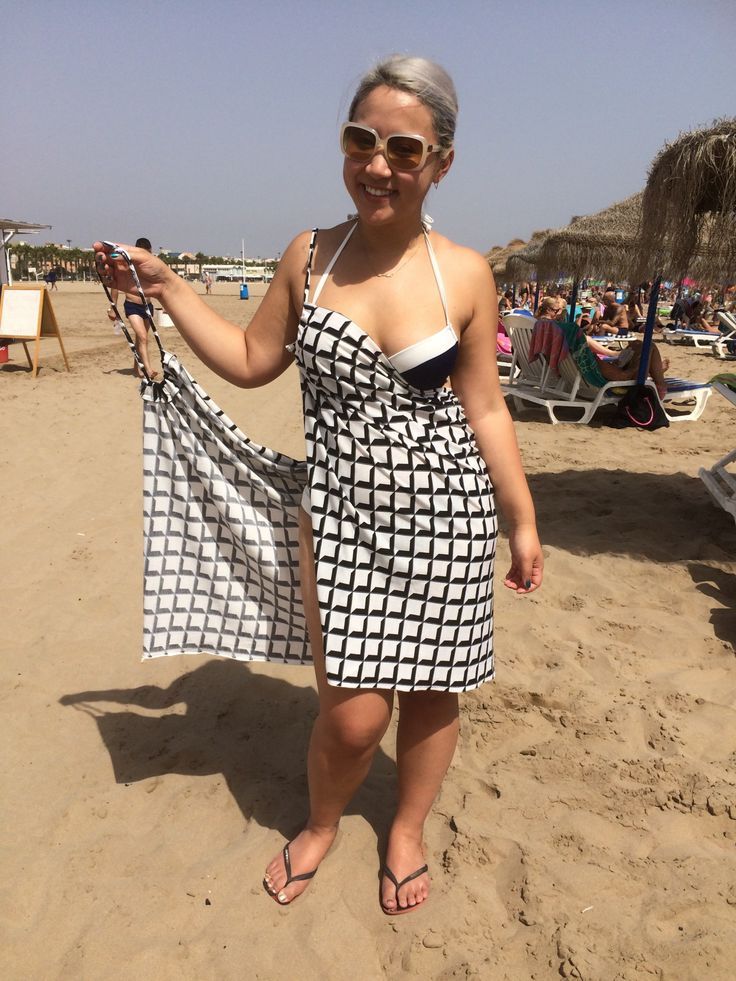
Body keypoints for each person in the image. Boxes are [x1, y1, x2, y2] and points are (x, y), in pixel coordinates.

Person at [93, 55, 543, 916]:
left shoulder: (467, 274)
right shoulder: (311, 257)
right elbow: (255, 360)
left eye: (404, 149)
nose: (377, 164)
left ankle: (405, 830)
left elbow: (485, 409)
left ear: (441, 163)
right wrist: (174, 289)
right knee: (351, 717)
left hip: (449, 516)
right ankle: (326, 821)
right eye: (360, 139)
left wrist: (520, 519)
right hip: (338, 517)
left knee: (433, 690)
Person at [107, 237, 158, 378]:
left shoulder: (150, 266)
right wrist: (113, 307)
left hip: (147, 306)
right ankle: (148, 369)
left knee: (141, 338)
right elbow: (115, 286)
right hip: (132, 306)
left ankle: (137, 368)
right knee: (142, 337)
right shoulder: (127, 266)